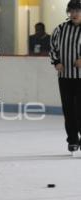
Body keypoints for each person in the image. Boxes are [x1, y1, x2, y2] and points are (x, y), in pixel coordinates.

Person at [50, 0, 81, 153]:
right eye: (72, 11)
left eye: (77, 11)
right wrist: (56, 62)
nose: (74, 14)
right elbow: (53, 47)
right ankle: (73, 140)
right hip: (65, 77)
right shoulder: (60, 29)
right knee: (68, 110)